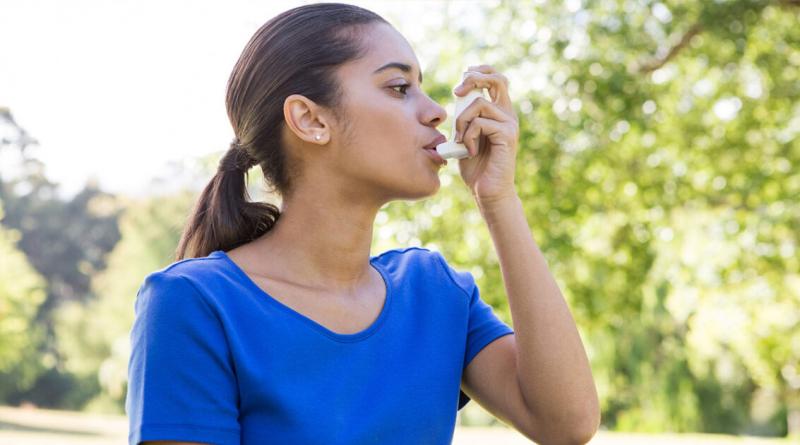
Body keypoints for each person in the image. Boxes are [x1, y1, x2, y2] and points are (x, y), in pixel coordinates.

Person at [125, 3, 599, 445]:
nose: (436, 111)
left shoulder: (435, 292)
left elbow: (565, 423)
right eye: (399, 88)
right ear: (310, 120)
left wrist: (498, 198)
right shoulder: (193, 302)